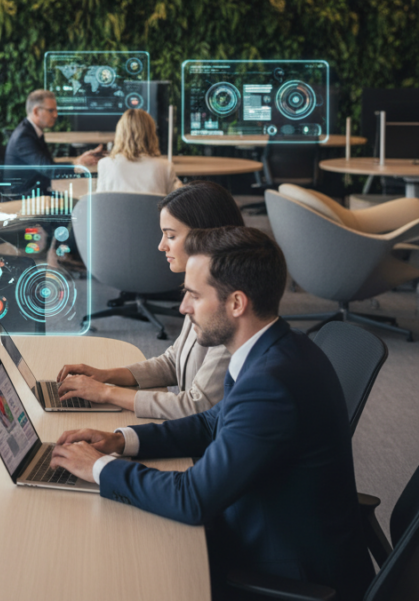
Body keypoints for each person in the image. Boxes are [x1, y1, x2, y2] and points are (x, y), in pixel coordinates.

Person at [49, 227, 374, 599]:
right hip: (269, 527)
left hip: (286, 574)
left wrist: (96, 467)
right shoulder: (279, 346)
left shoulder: (273, 383)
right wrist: (120, 440)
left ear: (236, 303)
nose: (184, 308)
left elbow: (193, 498)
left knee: (114, 570)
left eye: (193, 296)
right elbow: (211, 421)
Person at [56, 181, 238, 419]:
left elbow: (196, 407)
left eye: (170, 236)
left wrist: (106, 393)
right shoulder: (200, 286)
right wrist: (105, 376)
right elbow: (174, 361)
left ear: (204, 235)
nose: (161, 246)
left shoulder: (226, 306)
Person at [4, 90, 104, 198]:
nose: (56, 115)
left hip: (37, 192)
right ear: (36, 111)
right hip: (24, 199)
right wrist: (77, 163)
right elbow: (49, 170)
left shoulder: (32, 131)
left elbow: (48, 165)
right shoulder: (23, 137)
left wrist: (78, 161)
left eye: (56, 110)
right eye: (51, 110)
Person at [94, 108, 180, 194]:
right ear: (151, 134)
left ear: (120, 134)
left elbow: (101, 203)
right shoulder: (165, 167)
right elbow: (175, 203)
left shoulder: (105, 165)